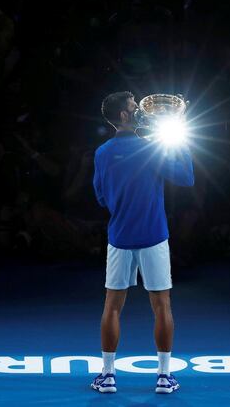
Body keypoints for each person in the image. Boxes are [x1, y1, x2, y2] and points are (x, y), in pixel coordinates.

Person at [90, 91, 194, 394]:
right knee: (162, 306)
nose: (138, 110)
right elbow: (186, 177)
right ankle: (164, 377)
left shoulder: (102, 153)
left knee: (112, 307)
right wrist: (180, 135)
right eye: (134, 107)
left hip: (120, 236)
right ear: (123, 116)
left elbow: (100, 197)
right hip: (153, 235)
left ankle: (107, 376)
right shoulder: (151, 149)